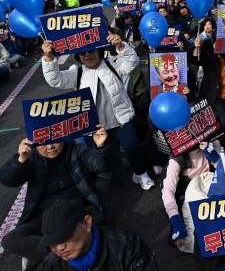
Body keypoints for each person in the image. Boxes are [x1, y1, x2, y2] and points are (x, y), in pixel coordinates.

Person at [40, 35, 156, 191]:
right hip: (93, 126)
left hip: (120, 120)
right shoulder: (77, 73)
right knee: (92, 156)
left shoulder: (113, 64)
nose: (87, 55)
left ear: (99, 51)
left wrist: (121, 46)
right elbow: (56, 80)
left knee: (133, 148)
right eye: (82, 53)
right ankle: (90, 183)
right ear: (78, 57)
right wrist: (48, 58)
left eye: (91, 51)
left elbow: (132, 63)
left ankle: (140, 173)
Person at [0, 126, 112, 266]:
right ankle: (72, 252)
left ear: (63, 137)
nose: (50, 146)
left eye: (55, 140)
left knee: (100, 218)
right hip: (44, 216)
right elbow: (8, 180)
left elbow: (102, 166)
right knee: (11, 239)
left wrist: (102, 147)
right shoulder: (31, 158)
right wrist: (19, 161)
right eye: (43, 142)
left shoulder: (76, 150)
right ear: (34, 143)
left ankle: (47, 255)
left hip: (77, 211)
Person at [37, 199, 159, 270]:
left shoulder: (128, 246)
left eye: (65, 236)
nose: (59, 248)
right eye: (51, 241)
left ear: (87, 223)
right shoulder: (51, 265)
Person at [161, 141, 219, 253]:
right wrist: (176, 221)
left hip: (212, 182)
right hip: (188, 188)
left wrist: (215, 158)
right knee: (183, 237)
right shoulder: (176, 156)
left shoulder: (213, 141)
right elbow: (168, 190)